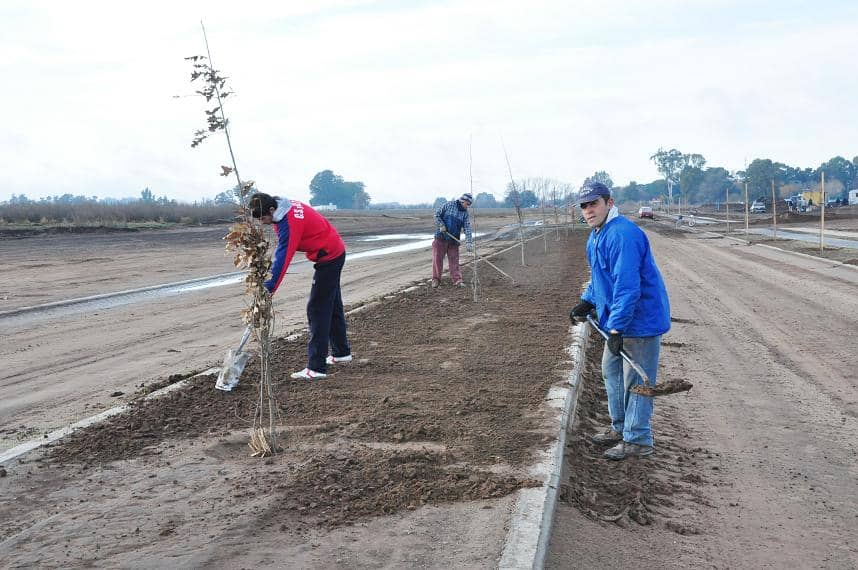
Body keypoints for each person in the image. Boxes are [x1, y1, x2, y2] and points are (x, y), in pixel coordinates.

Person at [568, 182, 671, 460]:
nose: (588, 211)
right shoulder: (597, 235)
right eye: (584, 206)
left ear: (609, 203)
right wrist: (587, 300)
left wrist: (616, 328)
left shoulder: (623, 235)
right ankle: (620, 428)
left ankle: (638, 438)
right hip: (620, 319)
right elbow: (601, 277)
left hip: (640, 320)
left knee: (635, 380)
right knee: (610, 371)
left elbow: (627, 287)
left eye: (594, 204)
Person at [250, 192, 351, 380]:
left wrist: (269, 287)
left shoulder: (288, 222)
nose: (262, 223)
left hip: (329, 256)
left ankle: (316, 368)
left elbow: (283, 258)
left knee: (317, 309)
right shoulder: (284, 208)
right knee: (332, 305)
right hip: (333, 249)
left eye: (263, 218)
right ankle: (341, 353)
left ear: (272, 210)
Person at [431, 193, 474, 288]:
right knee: (437, 260)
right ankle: (436, 280)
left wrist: (469, 242)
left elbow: (467, 228)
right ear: (463, 201)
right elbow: (436, 215)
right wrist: (441, 225)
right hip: (441, 237)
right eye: (467, 204)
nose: (468, 206)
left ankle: (457, 280)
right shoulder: (449, 205)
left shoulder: (465, 213)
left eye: (469, 205)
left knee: (454, 261)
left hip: (454, 241)